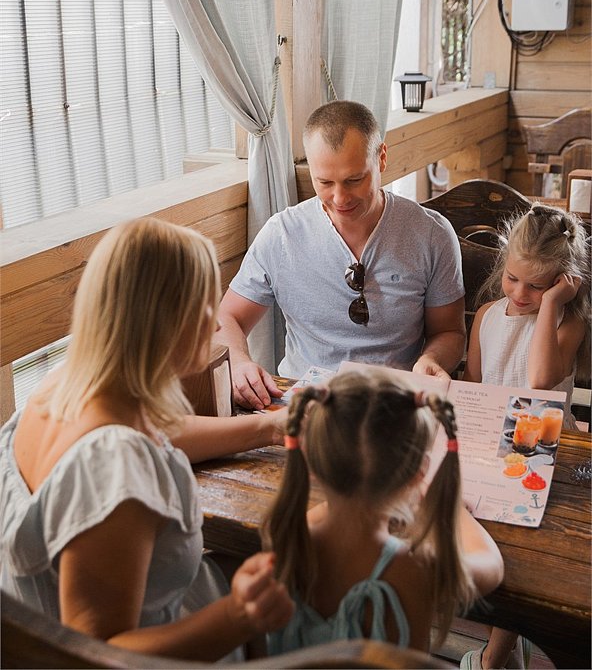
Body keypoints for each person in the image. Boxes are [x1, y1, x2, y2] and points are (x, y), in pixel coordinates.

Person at [0, 217, 294, 662]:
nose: (218, 326)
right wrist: (239, 616)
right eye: (205, 306)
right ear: (166, 320)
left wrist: (270, 427)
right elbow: (99, 653)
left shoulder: (63, 386)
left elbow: (160, 431)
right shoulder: (114, 465)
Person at [217, 100, 466, 410]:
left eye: (354, 180)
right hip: (303, 404)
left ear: (381, 158)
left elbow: (449, 331)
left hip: (395, 404)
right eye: (324, 182)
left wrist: (432, 359)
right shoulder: (281, 234)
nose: (339, 198)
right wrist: (239, 361)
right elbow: (228, 317)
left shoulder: (431, 233)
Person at [260, 369, 504, 655]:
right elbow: (491, 567)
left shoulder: (286, 539)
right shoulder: (415, 568)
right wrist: (457, 513)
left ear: (310, 462)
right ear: (419, 474)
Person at [460, 203, 590, 670]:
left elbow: (539, 382)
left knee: (519, 547)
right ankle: (506, 646)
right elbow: (475, 386)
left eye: (536, 286)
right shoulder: (487, 315)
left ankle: (494, 657)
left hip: (548, 448)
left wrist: (552, 305)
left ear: (562, 282)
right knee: (482, 533)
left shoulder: (567, 323)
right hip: (494, 446)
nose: (519, 293)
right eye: (513, 278)